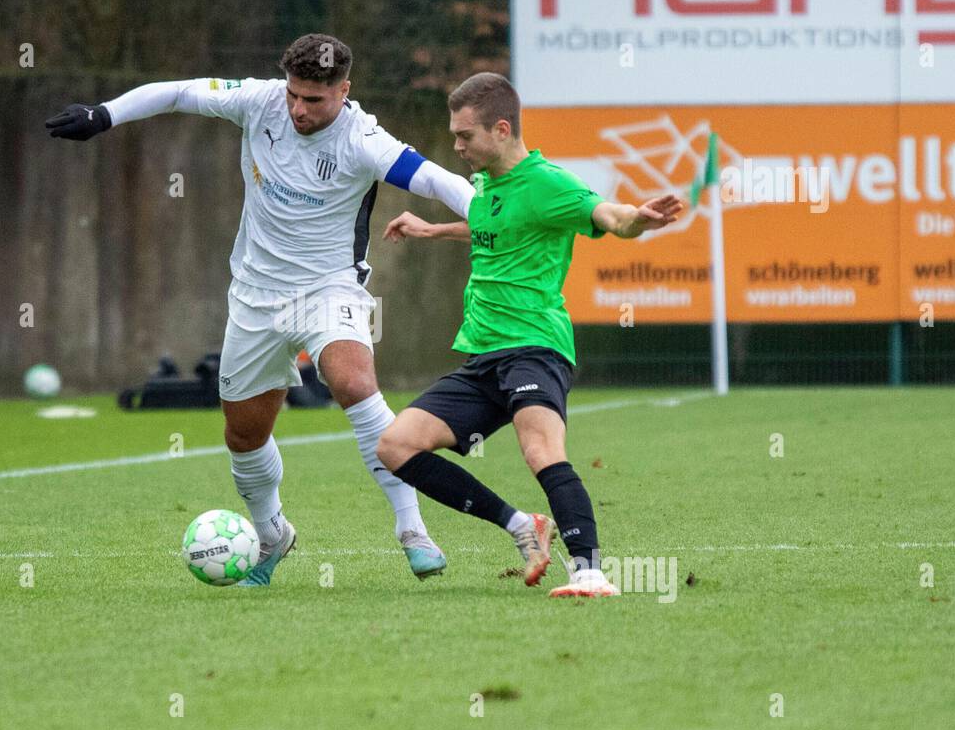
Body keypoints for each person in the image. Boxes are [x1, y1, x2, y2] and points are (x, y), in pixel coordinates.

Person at [45, 34, 475, 585]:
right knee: (244, 435)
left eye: (314, 100)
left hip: (329, 291)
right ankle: (272, 532)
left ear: (344, 90)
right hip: (254, 295)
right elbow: (177, 92)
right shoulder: (258, 100)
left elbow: (440, 181)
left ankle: (411, 528)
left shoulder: (364, 140)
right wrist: (103, 115)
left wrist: (490, 214)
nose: (299, 109)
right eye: (295, 95)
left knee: (353, 383)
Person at [377, 72, 684, 596]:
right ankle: (522, 525)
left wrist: (638, 219)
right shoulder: (487, 187)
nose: (457, 146)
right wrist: (434, 230)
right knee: (396, 445)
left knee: (540, 450)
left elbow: (607, 213)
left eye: (464, 135)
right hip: (483, 357)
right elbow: (496, 226)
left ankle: (588, 571)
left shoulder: (548, 183)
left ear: (501, 129)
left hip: (535, 348)